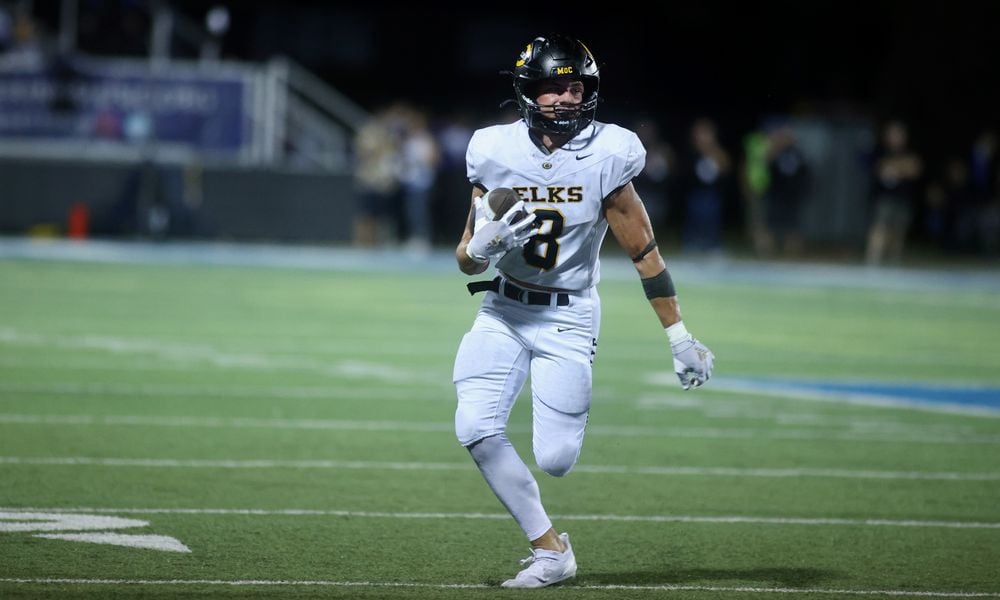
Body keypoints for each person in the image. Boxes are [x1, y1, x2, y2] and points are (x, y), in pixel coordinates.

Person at [452, 34, 715, 589]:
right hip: (502, 308)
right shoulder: (494, 150)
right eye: (552, 87)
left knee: (556, 459)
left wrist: (679, 337)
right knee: (475, 426)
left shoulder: (608, 152)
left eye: (575, 86)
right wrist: (482, 246)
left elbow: (644, 252)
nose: (565, 98)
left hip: (568, 316)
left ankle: (553, 540)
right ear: (529, 91)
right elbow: (465, 261)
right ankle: (551, 552)